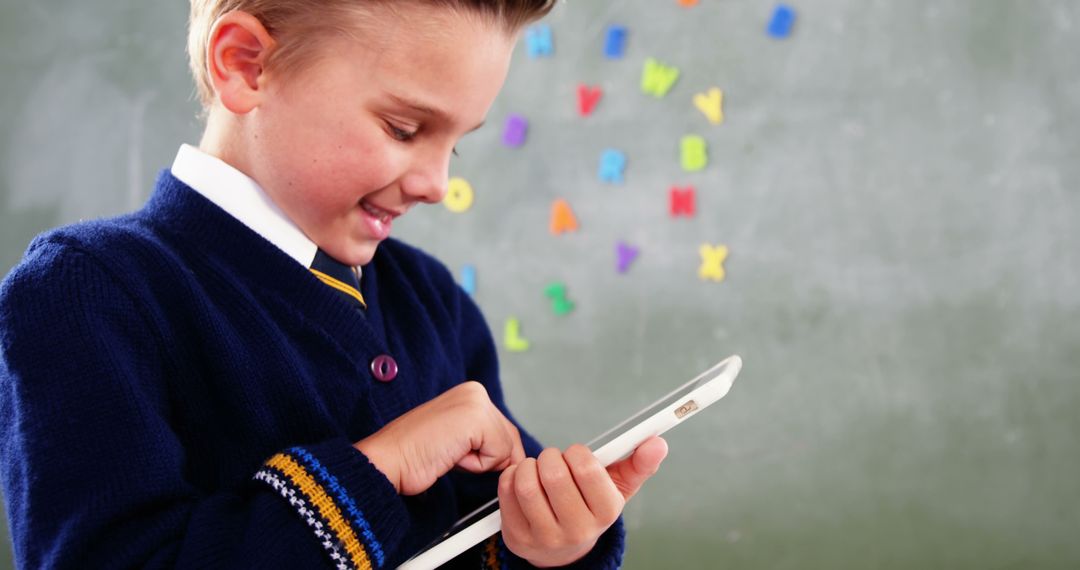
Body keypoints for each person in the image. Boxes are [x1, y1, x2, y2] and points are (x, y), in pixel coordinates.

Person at [0, 1, 669, 568]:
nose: (437, 184)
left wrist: (549, 542)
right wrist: (377, 471)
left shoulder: (431, 301)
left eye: (455, 144)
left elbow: (483, 538)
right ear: (245, 64)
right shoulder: (87, 291)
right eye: (404, 128)